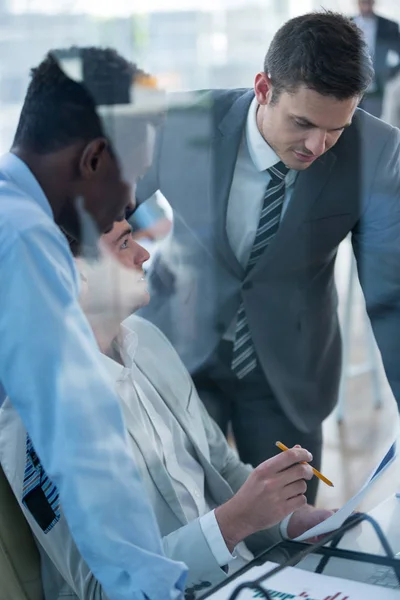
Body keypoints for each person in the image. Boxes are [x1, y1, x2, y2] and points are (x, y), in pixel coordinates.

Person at [136, 11, 400, 505]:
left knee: (287, 529)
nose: (317, 145)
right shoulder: (182, 121)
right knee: (187, 515)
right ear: (263, 88)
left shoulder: (377, 149)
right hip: (180, 348)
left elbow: (393, 295)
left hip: (288, 369)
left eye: (336, 128)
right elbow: (101, 217)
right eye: (302, 123)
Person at [0, 219, 335, 599]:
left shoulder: (148, 339)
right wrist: (232, 524)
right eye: (125, 243)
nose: (144, 253)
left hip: (246, 579)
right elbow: (100, 589)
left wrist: (289, 521)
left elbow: (221, 468)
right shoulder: (37, 422)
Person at [0, 48, 187, 600]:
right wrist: (152, 588)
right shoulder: (23, 238)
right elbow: (82, 435)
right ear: (96, 157)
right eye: (133, 177)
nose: (130, 202)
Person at [353, 0, 400, 117]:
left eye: (368, 2)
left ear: (373, 3)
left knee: (374, 120)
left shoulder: (389, 25)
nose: (366, 6)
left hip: (377, 83)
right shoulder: (347, 23)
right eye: (363, 2)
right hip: (352, 81)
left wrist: (390, 72)